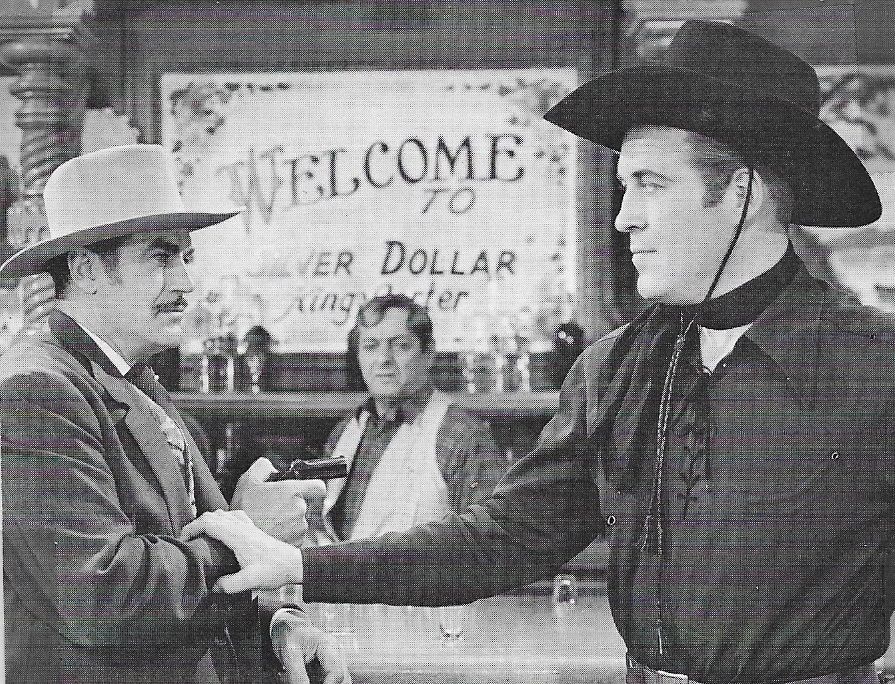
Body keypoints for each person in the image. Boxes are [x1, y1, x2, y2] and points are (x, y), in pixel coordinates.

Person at [183, 21, 892, 684]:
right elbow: (503, 538)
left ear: (739, 193)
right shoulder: (615, 369)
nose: (624, 218)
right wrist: (299, 564)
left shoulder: (876, 365)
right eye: (622, 189)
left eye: (650, 184)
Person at [0, 144, 349, 684]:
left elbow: (191, 555)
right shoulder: (36, 390)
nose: (184, 282)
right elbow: (107, 598)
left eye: (185, 257)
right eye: (160, 257)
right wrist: (249, 527)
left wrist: (280, 621)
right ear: (87, 268)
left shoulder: (128, 375)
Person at [309, 294, 506, 544]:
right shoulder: (345, 432)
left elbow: (489, 546)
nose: (383, 360)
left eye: (400, 345)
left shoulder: (462, 434)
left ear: (429, 353)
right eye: (371, 346)